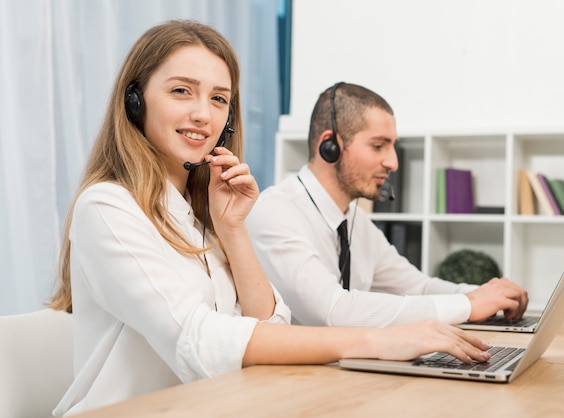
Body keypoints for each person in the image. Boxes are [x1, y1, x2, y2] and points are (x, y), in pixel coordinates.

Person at [47, 21, 492, 416]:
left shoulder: (202, 214)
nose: (203, 113)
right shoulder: (107, 207)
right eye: (182, 90)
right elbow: (198, 341)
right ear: (135, 100)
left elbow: (270, 326)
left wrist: (233, 229)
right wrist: (377, 341)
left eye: (219, 99)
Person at [247, 82, 529, 327]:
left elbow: (419, 288)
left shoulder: (356, 223)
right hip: (287, 383)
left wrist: (487, 294)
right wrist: (468, 305)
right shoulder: (276, 212)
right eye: (378, 146)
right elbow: (333, 312)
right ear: (329, 146)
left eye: (392, 146)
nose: (392, 162)